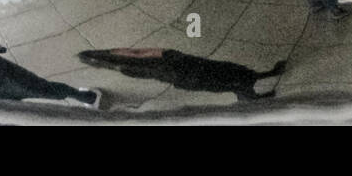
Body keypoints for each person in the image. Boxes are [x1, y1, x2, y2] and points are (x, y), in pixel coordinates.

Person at [79, 47, 287, 102]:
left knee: (227, 79)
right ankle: (252, 93)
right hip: (186, 68)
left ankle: (253, 89)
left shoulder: (125, 69)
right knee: (233, 74)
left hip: (185, 77)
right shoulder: (127, 58)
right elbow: (145, 52)